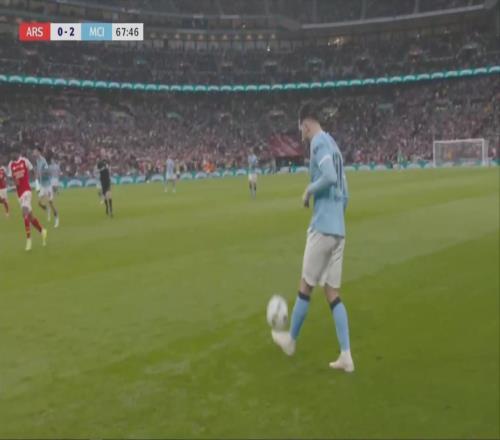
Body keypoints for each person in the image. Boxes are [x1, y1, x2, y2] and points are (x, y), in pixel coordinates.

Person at [271, 102, 354, 372]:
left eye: (301, 129)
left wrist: (309, 191)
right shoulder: (334, 145)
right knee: (332, 292)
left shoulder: (318, 143)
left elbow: (329, 177)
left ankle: (290, 340)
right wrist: (337, 216)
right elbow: (345, 191)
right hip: (339, 229)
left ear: (306, 124)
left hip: (323, 228)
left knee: (306, 285)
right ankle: (346, 355)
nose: (302, 135)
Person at [7, 147, 47, 251]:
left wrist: (36, 181)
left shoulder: (24, 161)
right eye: (11, 153)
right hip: (19, 194)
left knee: (24, 213)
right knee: (30, 217)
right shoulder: (11, 164)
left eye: (13, 153)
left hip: (27, 191)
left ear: (17, 152)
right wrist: (13, 181)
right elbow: (10, 177)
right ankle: (42, 230)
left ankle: (29, 239)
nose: (11, 155)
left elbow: (33, 170)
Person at [34, 148, 59, 228]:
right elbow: (38, 171)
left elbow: (48, 172)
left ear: (39, 152)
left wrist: (43, 172)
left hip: (48, 185)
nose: (34, 153)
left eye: (35, 151)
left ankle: (56, 218)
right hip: (42, 185)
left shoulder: (44, 161)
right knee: (39, 203)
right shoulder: (37, 161)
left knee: (51, 202)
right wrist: (38, 178)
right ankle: (47, 209)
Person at [97, 149, 113, 217]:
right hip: (102, 180)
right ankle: (107, 207)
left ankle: (111, 210)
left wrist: (109, 170)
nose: (103, 153)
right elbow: (98, 170)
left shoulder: (107, 161)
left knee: (109, 195)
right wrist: (103, 168)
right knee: (105, 196)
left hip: (107, 179)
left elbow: (110, 168)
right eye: (102, 152)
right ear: (100, 153)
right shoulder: (99, 162)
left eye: (104, 152)